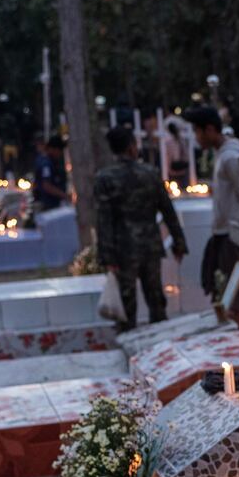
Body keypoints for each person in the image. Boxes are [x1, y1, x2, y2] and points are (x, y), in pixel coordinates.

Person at [95, 126, 187, 329]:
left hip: (122, 250)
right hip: (150, 246)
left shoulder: (105, 179)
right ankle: (161, 348)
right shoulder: (150, 174)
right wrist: (179, 243)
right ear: (131, 147)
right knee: (155, 300)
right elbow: (167, 211)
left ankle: (129, 347)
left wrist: (106, 258)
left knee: (125, 307)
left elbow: (104, 220)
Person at [187, 106, 239, 326]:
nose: (196, 138)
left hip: (233, 235)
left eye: (197, 132)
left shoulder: (231, 157)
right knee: (225, 291)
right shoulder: (224, 154)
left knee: (236, 295)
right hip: (225, 232)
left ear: (209, 130)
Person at [33, 135, 69, 210]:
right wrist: (64, 195)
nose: (60, 154)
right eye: (59, 150)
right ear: (53, 149)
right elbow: (47, 186)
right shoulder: (46, 164)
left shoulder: (50, 161)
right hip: (47, 205)